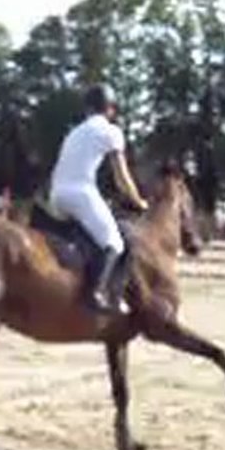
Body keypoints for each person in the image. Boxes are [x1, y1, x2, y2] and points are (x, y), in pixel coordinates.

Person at [48, 83, 148, 314]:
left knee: (92, 234)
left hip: (56, 194)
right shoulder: (111, 131)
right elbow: (122, 178)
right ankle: (96, 293)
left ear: (87, 109)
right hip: (80, 193)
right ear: (110, 109)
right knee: (114, 242)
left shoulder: (74, 131)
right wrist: (138, 201)